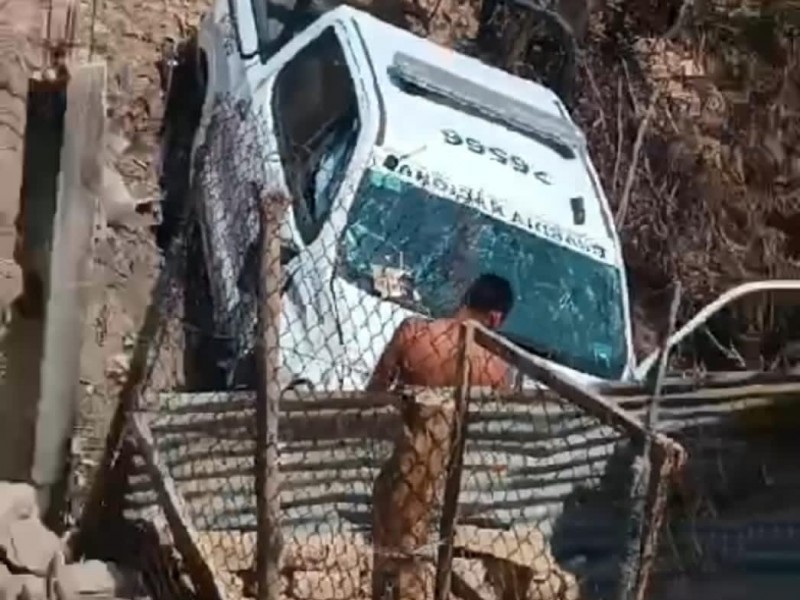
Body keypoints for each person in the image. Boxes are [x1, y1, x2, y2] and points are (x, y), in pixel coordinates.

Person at [366, 273, 515, 391]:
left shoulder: (414, 331)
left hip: (401, 424)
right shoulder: (498, 370)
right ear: (495, 318)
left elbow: (376, 388)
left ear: (465, 298)